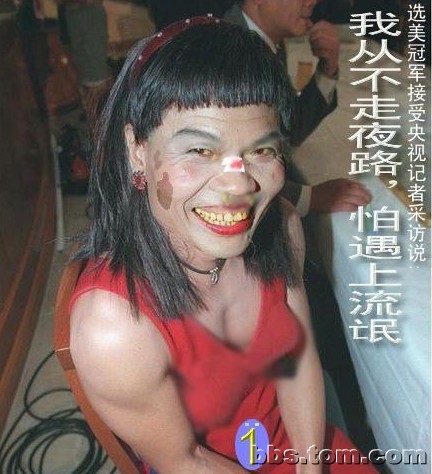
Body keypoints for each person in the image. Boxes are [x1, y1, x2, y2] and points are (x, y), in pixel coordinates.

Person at [68, 18, 378, 473]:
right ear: (137, 149)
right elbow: (184, 459)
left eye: (261, 151)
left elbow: (297, 360)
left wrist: (310, 467)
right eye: (199, 151)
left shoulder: (281, 227)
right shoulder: (113, 326)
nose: (239, 186)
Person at [225, 0, 372, 214]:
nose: (312, 2)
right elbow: (228, 169)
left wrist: (327, 68)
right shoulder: (230, 54)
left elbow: (289, 128)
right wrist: (309, 197)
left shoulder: (264, 41)